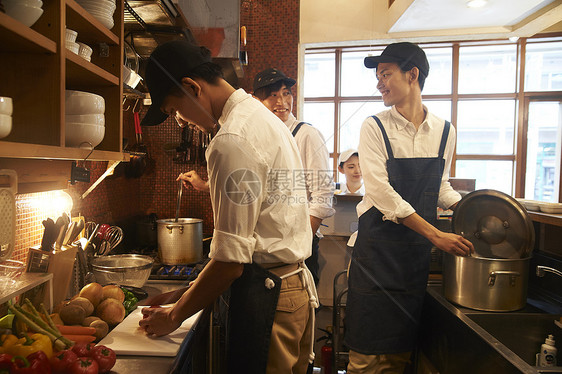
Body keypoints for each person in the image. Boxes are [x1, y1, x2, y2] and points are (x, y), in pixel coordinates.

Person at [138, 40, 318, 374]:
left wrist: (174, 317)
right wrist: (187, 293)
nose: (181, 121)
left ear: (192, 87)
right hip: (290, 290)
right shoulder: (263, 118)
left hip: (269, 296)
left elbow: (231, 262)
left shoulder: (232, 140)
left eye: (173, 110)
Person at [344, 42, 475, 373]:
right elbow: (381, 192)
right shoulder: (374, 126)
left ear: (412, 75)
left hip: (411, 260)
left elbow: (439, 187)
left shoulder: (445, 131)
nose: (379, 83)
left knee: (401, 357)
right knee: (366, 359)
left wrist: (475, 209)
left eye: (385, 74)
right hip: (376, 258)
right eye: (378, 76)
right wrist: (435, 235)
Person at [253, 68, 335, 285]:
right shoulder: (258, 136)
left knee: (301, 311)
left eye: (286, 93)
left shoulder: (305, 134)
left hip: (297, 247)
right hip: (267, 248)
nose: (282, 101)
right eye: (273, 95)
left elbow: (323, 192)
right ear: (256, 101)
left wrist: (303, 240)